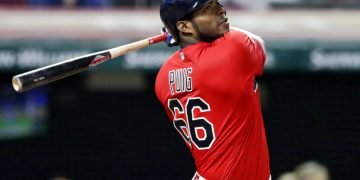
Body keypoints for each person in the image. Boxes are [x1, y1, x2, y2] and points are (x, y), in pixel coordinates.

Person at [155, 0, 269, 179]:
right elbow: (259, 44)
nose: (221, 10)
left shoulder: (163, 76)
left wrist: (180, 35)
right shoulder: (232, 49)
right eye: (208, 9)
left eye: (217, 3)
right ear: (184, 26)